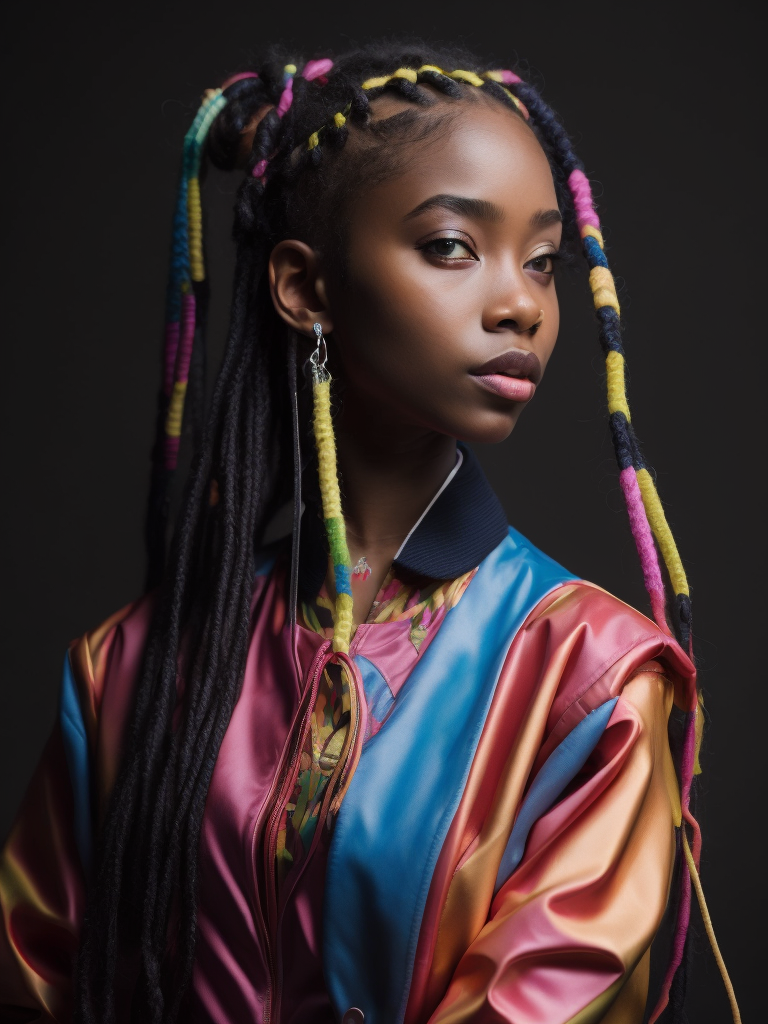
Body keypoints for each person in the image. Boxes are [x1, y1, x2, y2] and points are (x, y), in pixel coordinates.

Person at [0, 41, 739, 1024]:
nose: (521, 303)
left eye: (543, 261)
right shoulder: (131, 669)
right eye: (453, 246)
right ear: (304, 287)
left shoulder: (592, 683)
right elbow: (38, 975)